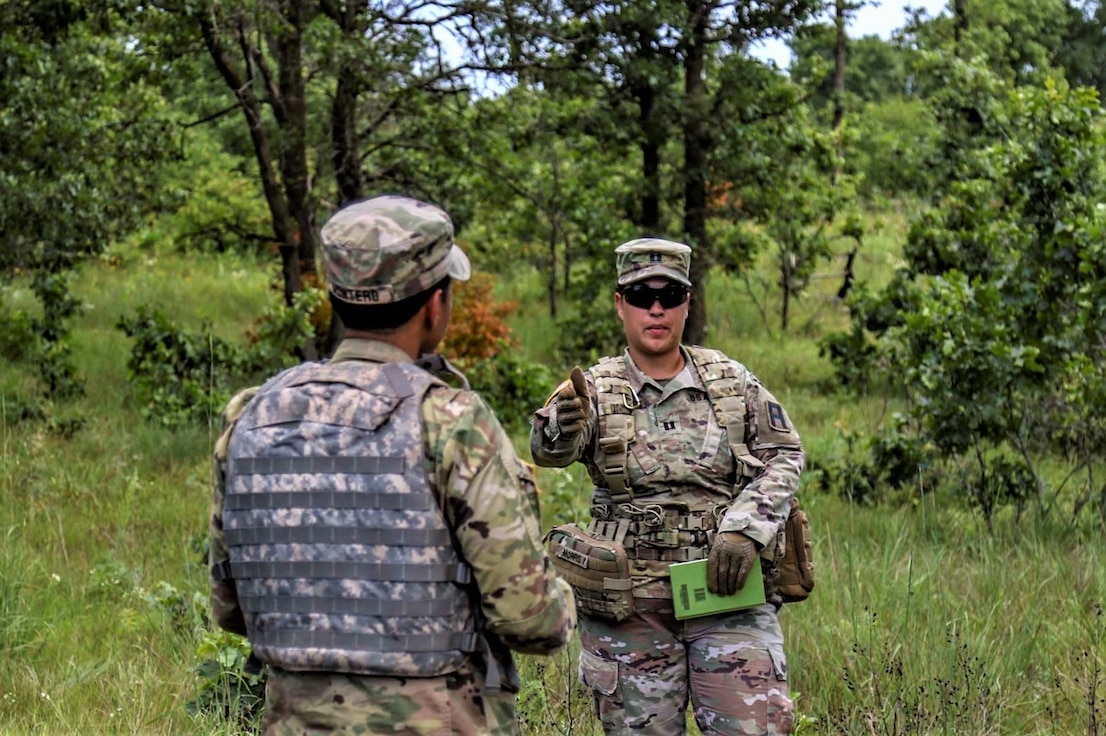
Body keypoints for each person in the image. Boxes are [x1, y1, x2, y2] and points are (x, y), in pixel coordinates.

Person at [209, 194, 576, 736]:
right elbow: (531, 619)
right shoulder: (450, 421)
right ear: (435, 306)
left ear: (336, 298)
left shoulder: (251, 414)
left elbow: (230, 607)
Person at [530, 238, 804, 735]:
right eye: (640, 296)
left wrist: (747, 528)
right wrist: (562, 426)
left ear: (687, 302)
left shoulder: (730, 380)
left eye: (670, 295)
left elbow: (784, 453)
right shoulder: (595, 388)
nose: (655, 309)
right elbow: (550, 451)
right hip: (630, 605)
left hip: (727, 593)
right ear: (620, 304)